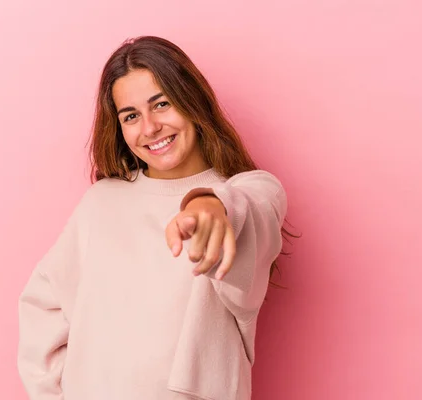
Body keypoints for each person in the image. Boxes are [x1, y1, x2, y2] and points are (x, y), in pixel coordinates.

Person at [17, 35, 291, 400]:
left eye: (161, 104)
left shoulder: (247, 194)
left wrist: (211, 205)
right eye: (131, 116)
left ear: (192, 102)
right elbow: (42, 306)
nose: (149, 128)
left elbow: (256, 203)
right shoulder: (101, 203)